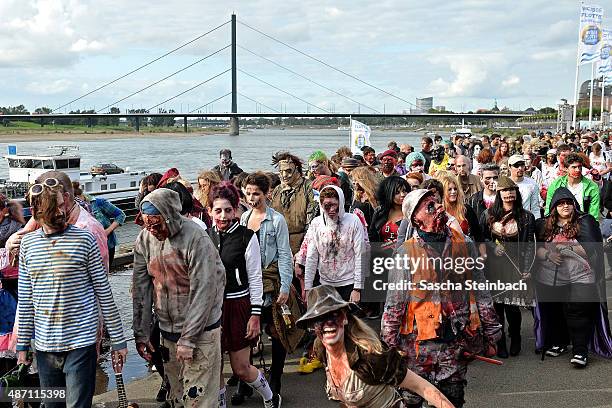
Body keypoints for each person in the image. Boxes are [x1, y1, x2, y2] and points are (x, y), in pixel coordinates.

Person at [382, 189, 501, 408]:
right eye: (429, 206)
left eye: (438, 203)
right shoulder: (405, 253)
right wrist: (390, 345)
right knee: (411, 401)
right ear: (416, 219)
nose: (438, 207)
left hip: (454, 343)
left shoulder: (464, 243)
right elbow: (394, 303)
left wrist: (492, 331)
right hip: (417, 347)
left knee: (452, 400)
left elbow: (481, 289)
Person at [17, 178, 127, 408]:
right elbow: (26, 300)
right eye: (53, 208)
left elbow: (104, 292)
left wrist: (118, 340)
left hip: (81, 343)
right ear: (37, 211)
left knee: (77, 405)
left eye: (61, 205)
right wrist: (22, 345)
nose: (61, 212)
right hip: (45, 346)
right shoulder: (28, 245)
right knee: (52, 404)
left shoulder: (85, 239)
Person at [132, 188, 225, 408]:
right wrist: (142, 333)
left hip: (201, 332)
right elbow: (140, 288)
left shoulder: (197, 238)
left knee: (199, 400)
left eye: (157, 225)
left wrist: (189, 338)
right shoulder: (145, 239)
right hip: (168, 332)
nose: (153, 230)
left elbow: (205, 291)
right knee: (177, 397)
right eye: (148, 225)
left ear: (170, 217)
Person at [295, 285, 455, 408]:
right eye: (320, 319)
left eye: (334, 314)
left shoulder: (371, 356)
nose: (328, 323)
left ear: (345, 318)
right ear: (313, 327)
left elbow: (423, 387)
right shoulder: (320, 348)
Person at [205, 182, 276, 407]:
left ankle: (271, 397)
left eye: (228, 210)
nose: (223, 216)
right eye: (218, 210)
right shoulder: (205, 237)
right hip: (212, 310)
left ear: (236, 210)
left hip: (239, 306)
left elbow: (255, 278)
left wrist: (255, 315)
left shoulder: (247, 237)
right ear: (210, 211)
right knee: (214, 369)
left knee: (241, 369)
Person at [241, 172, 302, 407]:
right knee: (247, 333)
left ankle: (275, 379)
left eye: (256, 193)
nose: (252, 198)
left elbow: (285, 255)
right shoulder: (244, 218)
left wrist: (285, 287)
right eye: (248, 193)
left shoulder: (276, 221)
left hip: (273, 282)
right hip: (250, 283)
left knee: (277, 332)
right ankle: (244, 381)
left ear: (266, 194)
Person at [535, 187, 612, 366]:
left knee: (578, 312)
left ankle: (580, 351)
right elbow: (536, 249)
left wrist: (567, 248)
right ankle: (559, 343)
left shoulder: (585, 222)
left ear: (574, 205)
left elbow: (593, 248)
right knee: (555, 313)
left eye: (569, 202)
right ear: (554, 206)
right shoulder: (544, 224)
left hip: (581, 276)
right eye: (561, 203)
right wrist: (548, 255)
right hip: (551, 277)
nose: (565, 206)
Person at [479, 176, 536, 358]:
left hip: (516, 267)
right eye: (505, 191)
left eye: (512, 191)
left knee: (513, 308)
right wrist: (492, 246)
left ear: (517, 193)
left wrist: (527, 268)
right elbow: (481, 239)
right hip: (494, 268)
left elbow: (529, 245)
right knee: (497, 308)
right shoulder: (488, 215)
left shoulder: (527, 217)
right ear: (499, 193)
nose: (509, 194)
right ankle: (500, 341)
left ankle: (516, 338)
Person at [304, 185, 365, 302]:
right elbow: (311, 256)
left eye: (334, 205)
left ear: (341, 203)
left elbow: (360, 255)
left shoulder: (353, 221)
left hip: (349, 282)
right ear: (321, 206)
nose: (331, 210)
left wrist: (357, 288)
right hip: (325, 283)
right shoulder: (316, 224)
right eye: (327, 206)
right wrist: (308, 287)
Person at [270, 151, 317, 255]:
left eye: (288, 171)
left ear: (297, 169)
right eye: (281, 171)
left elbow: (312, 219)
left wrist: (305, 248)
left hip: (301, 243)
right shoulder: (277, 190)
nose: (284, 175)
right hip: (278, 243)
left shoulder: (309, 187)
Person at [73, 183, 127, 266]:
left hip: (107, 244)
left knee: (104, 273)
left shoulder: (99, 203)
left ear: (81, 195)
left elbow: (120, 215)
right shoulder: (72, 209)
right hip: (86, 248)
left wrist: (107, 231)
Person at [546, 153, 601, 221]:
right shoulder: (556, 185)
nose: (577, 170)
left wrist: (592, 227)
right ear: (566, 169)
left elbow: (594, 213)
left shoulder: (592, 186)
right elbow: (549, 208)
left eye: (579, 167)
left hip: (583, 223)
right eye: (574, 167)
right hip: (560, 223)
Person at [440, 174, 483, 243]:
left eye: (455, 189)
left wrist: (483, 254)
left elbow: (478, 235)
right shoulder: (439, 212)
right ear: (443, 192)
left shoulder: (466, 209)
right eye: (449, 189)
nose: (453, 192)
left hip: (468, 250)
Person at [369, 176, 409, 250]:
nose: (403, 195)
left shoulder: (411, 214)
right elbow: (372, 236)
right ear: (389, 194)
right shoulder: (380, 212)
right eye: (397, 192)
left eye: (404, 191)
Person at [508, 155, 541, 220]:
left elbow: (535, 207)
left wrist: (537, 222)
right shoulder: (505, 184)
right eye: (516, 165)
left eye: (522, 165)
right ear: (509, 167)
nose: (520, 168)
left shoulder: (532, 183)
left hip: (526, 221)